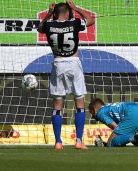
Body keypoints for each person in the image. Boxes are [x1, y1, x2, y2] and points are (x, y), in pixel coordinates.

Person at [37, 0, 95, 150]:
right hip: (74, 63)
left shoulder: (49, 25)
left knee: (57, 106)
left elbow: (39, 29)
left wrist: (48, 14)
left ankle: (58, 142)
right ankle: (79, 141)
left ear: (55, 14)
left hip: (58, 63)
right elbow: (91, 20)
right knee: (79, 104)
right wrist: (76, 8)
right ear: (68, 12)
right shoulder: (74, 22)